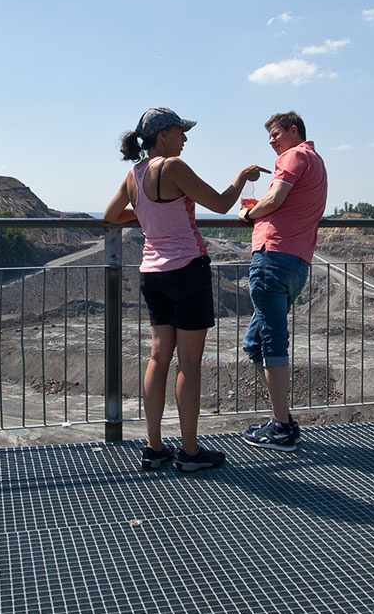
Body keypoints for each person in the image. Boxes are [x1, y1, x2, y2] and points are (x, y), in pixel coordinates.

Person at [105, 108, 265, 473]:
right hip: (187, 270)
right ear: (163, 135)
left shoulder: (135, 174)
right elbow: (223, 204)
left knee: (158, 358)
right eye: (181, 131)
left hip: (152, 274)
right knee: (189, 364)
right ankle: (190, 452)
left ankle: (154, 447)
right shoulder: (172, 168)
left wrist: (146, 214)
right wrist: (242, 177)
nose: (185, 139)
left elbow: (111, 215)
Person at [236, 110, 328, 451]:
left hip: (272, 258)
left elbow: (274, 199)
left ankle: (283, 428)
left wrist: (247, 213)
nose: (271, 141)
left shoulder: (293, 156)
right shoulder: (315, 160)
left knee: (272, 342)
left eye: (275, 134)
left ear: (293, 130)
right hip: (295, 263)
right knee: (255, 343)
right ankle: (281, 419)